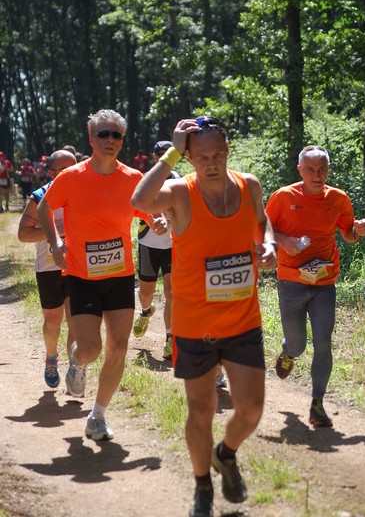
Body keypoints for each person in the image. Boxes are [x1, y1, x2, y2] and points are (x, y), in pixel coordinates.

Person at [131, 117, 277, 517]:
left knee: (250, 410)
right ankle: (202, 488)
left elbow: (262, 226)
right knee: (202, 409)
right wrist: (172, 152)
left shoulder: (249, 185)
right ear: (190, 158)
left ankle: (225, 454)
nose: (211, 163)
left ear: (228, 148)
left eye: (217, 154)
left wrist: (266, 247)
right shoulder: (179, 191)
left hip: (243, 318)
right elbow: (139, 202)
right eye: (201, 157)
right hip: (195, 324)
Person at [37, 109, 166, 442]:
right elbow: (43, 208)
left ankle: (97, 416)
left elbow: (148, 211)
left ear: (122, 140)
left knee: (120, 347)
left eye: (117, 135)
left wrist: (157, 222)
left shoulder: (134, 178)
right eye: (104, 134)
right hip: (81, 276)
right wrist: (56, 242)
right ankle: (78, 362)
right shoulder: (70, 177)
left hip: (121, 275)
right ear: (91, 138)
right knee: (91, 348)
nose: (111, 140)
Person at [266, 144, 365, 428]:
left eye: (322, 169)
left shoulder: (338, 198)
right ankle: (288, 352)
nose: (317, 174)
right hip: (290, 280)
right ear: (300, 170)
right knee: (299, 344)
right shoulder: (284, 196)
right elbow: (261, 227)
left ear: (328, 170)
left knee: (323, 343)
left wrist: (357, 231)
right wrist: (282, 238)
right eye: (311, 169)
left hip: (324, 281)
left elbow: (348, 234)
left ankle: (317, 403)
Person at [18, 150, 77, 388]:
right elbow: (23, 234)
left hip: (78, 267)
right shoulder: (40, 196)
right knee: (53, 321)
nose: (71, 174)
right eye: (64, 170)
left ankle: (76, 369)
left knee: (77, 321)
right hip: (48, 267)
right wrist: (58, 234)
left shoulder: (83, 193)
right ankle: (51, 359)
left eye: (74, 168)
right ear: (51, 173)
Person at [133, 140, 180, 360]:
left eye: (168, 153)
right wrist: (157, 217)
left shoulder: (180, 180)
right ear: (154, 158)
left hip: (173, 245)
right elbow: (136, 206)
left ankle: (170, 338)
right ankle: (145, 311)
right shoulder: (147, 180)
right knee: (146, 293)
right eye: (160, 154)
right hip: (149, 245)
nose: (164, 157)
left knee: (171, 292)